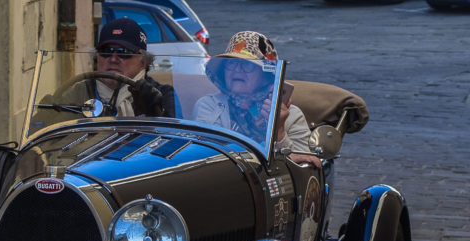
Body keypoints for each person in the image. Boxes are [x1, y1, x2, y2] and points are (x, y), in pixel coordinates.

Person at [193, 30, 319, 165]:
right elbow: (205, 158)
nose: (237, 69)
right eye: (231, 63)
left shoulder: (291, 115)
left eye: (247, 64)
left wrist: (279, 130)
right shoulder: (209, 105)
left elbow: (307, 167)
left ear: (265, 77)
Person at [91, 17, 177, 117]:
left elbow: (174, 131)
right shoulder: (80, 91)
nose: (113, 59)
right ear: (96, 57)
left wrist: (155, 113)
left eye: (123, 52)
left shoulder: (163, 94)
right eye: (106, 51)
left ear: (144, 61)